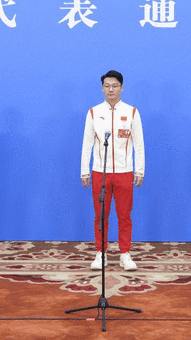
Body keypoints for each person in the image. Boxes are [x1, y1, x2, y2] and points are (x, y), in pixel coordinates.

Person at [81, 70, 145, 271]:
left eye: (115, 86)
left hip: (125, 172)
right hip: (100, 173)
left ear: (121, 88)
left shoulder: (132, 112)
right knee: (101, 215)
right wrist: (84, 171)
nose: (111, 89)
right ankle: (101, 253)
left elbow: (139, 144)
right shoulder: (94, 112)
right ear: (102, 89)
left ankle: (125, 253)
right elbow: (87, 144)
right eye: (107, 86)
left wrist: (139, 170)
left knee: (124, 215)